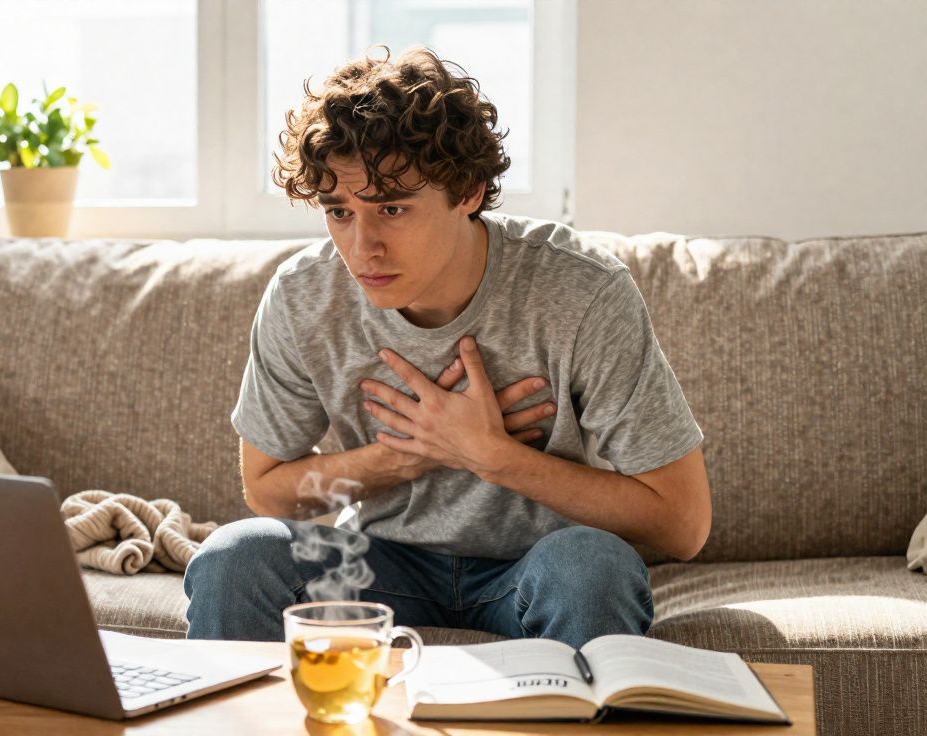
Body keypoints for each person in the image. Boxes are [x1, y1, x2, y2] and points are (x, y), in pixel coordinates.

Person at [183, 45, 710, 649]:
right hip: (378, 567)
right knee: (236, 555)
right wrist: (408, 455)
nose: (362, 248)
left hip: (537, 568)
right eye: (338, 212)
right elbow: (267, 489)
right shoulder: (305, 296)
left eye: (392, 208)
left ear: (468, 191)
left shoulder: (581, 290)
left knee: (590, 565)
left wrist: (491, 455)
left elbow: (683, 524)